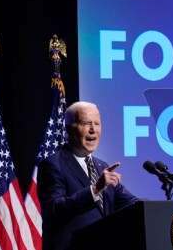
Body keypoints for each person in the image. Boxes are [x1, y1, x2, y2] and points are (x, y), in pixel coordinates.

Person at [37, 101, 139, 250]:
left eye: (97, 124)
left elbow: (132, 203)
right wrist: (95, 189)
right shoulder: (53, 164)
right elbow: (54, 209)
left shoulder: (102, 167)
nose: (93, 130)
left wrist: (165, 208)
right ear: (69, 130)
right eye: (86, 123)